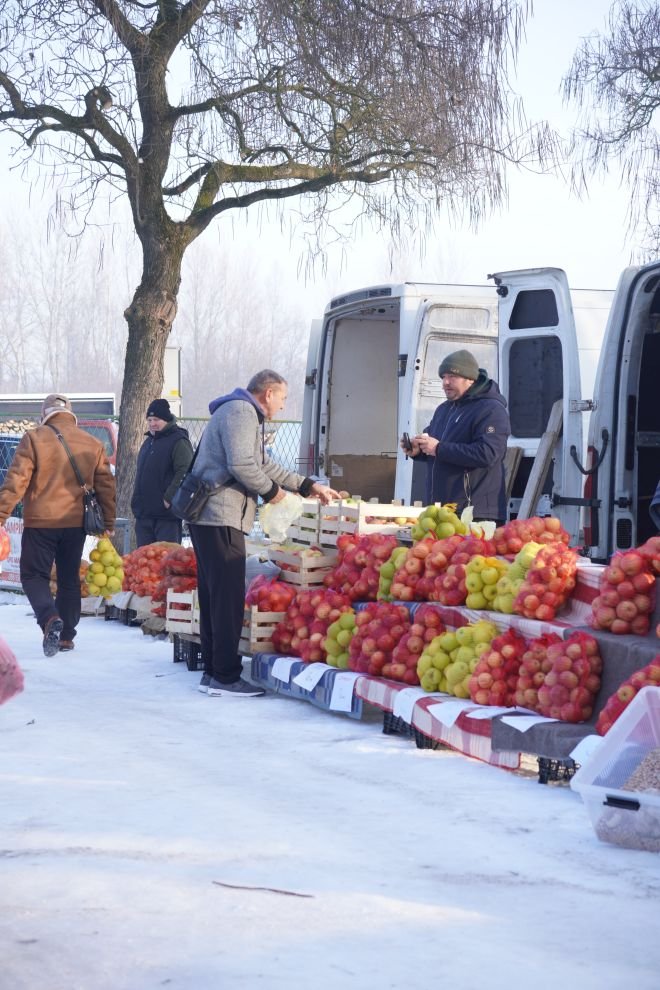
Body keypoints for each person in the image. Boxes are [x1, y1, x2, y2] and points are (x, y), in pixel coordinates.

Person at [188, 370, 339, 698]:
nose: (283, 407)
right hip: (220, 516)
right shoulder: (241, 412)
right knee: (226, 598)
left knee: (215, 595)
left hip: (212, 516)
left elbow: (262, 463)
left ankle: (214, 672)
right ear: (268, 393)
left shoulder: (239, 413)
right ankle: (225, 677)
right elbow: (242, 465)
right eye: (283, 398)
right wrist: (275, 495)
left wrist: (306, 485)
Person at [0, 393, 116, 656]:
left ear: (44, 414)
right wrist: (108, 520)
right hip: (76, 523)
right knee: (68, 578)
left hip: (41, 521)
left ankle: (50, 618)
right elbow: (106, 486)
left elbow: (16, 481)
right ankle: (66, 637)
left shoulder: (34, 439)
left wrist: (1, 515)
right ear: (70, 414)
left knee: (33, 575)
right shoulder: (93, 443)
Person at [403, 349, 510, 525]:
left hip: (474, 515)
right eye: (443, 377)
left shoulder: (491, 409)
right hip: (443, 512)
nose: (445, 382)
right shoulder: (444, 409)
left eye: (452, 376)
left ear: (470, 379)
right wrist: (418, 450)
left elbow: (488, 453)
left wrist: (438, 448)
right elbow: (436, 447)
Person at [131, 398, 194, 547]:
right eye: (150, 419)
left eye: (156, 419)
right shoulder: (148, 441)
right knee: (143, 561)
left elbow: (185, 470)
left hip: (166, 517)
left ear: (166, 419)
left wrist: (169, 498)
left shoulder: (179, 441)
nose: (152, 423)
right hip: (144, 515)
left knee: (166, 561)